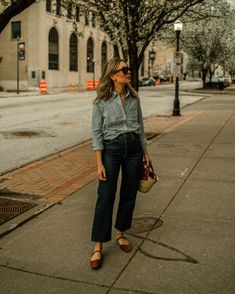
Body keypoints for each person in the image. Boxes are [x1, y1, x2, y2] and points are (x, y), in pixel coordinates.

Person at [90, 58, 151, 269]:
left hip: (134, 149)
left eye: (128, 68)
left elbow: (140, 127)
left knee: (129, 194)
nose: (128, 71)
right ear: (113, 75)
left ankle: (121, 233)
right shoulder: (101, 102)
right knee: (105, 195)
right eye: (124, 69)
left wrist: (145, 152)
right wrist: (99, 163)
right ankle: (98, 244)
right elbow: (96, 134)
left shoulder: (134, 98)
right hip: (112, 150)